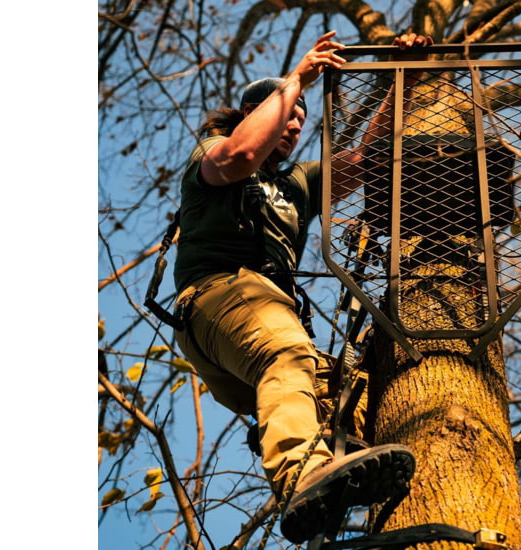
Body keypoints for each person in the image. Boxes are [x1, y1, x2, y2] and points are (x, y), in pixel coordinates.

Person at [171, 31, 434, 543]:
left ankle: (343, 481)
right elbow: (242, 155)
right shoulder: (215, 155)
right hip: (220, 296)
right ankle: (303, 474)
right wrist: (297, 78)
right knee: (288, 356)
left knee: (350, 393)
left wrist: (406, 77)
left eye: (299, 120)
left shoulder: (298, 184)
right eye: (284, 114)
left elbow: (368, 159)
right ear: (252, 111)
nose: (293, 124)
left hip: (255, 334)